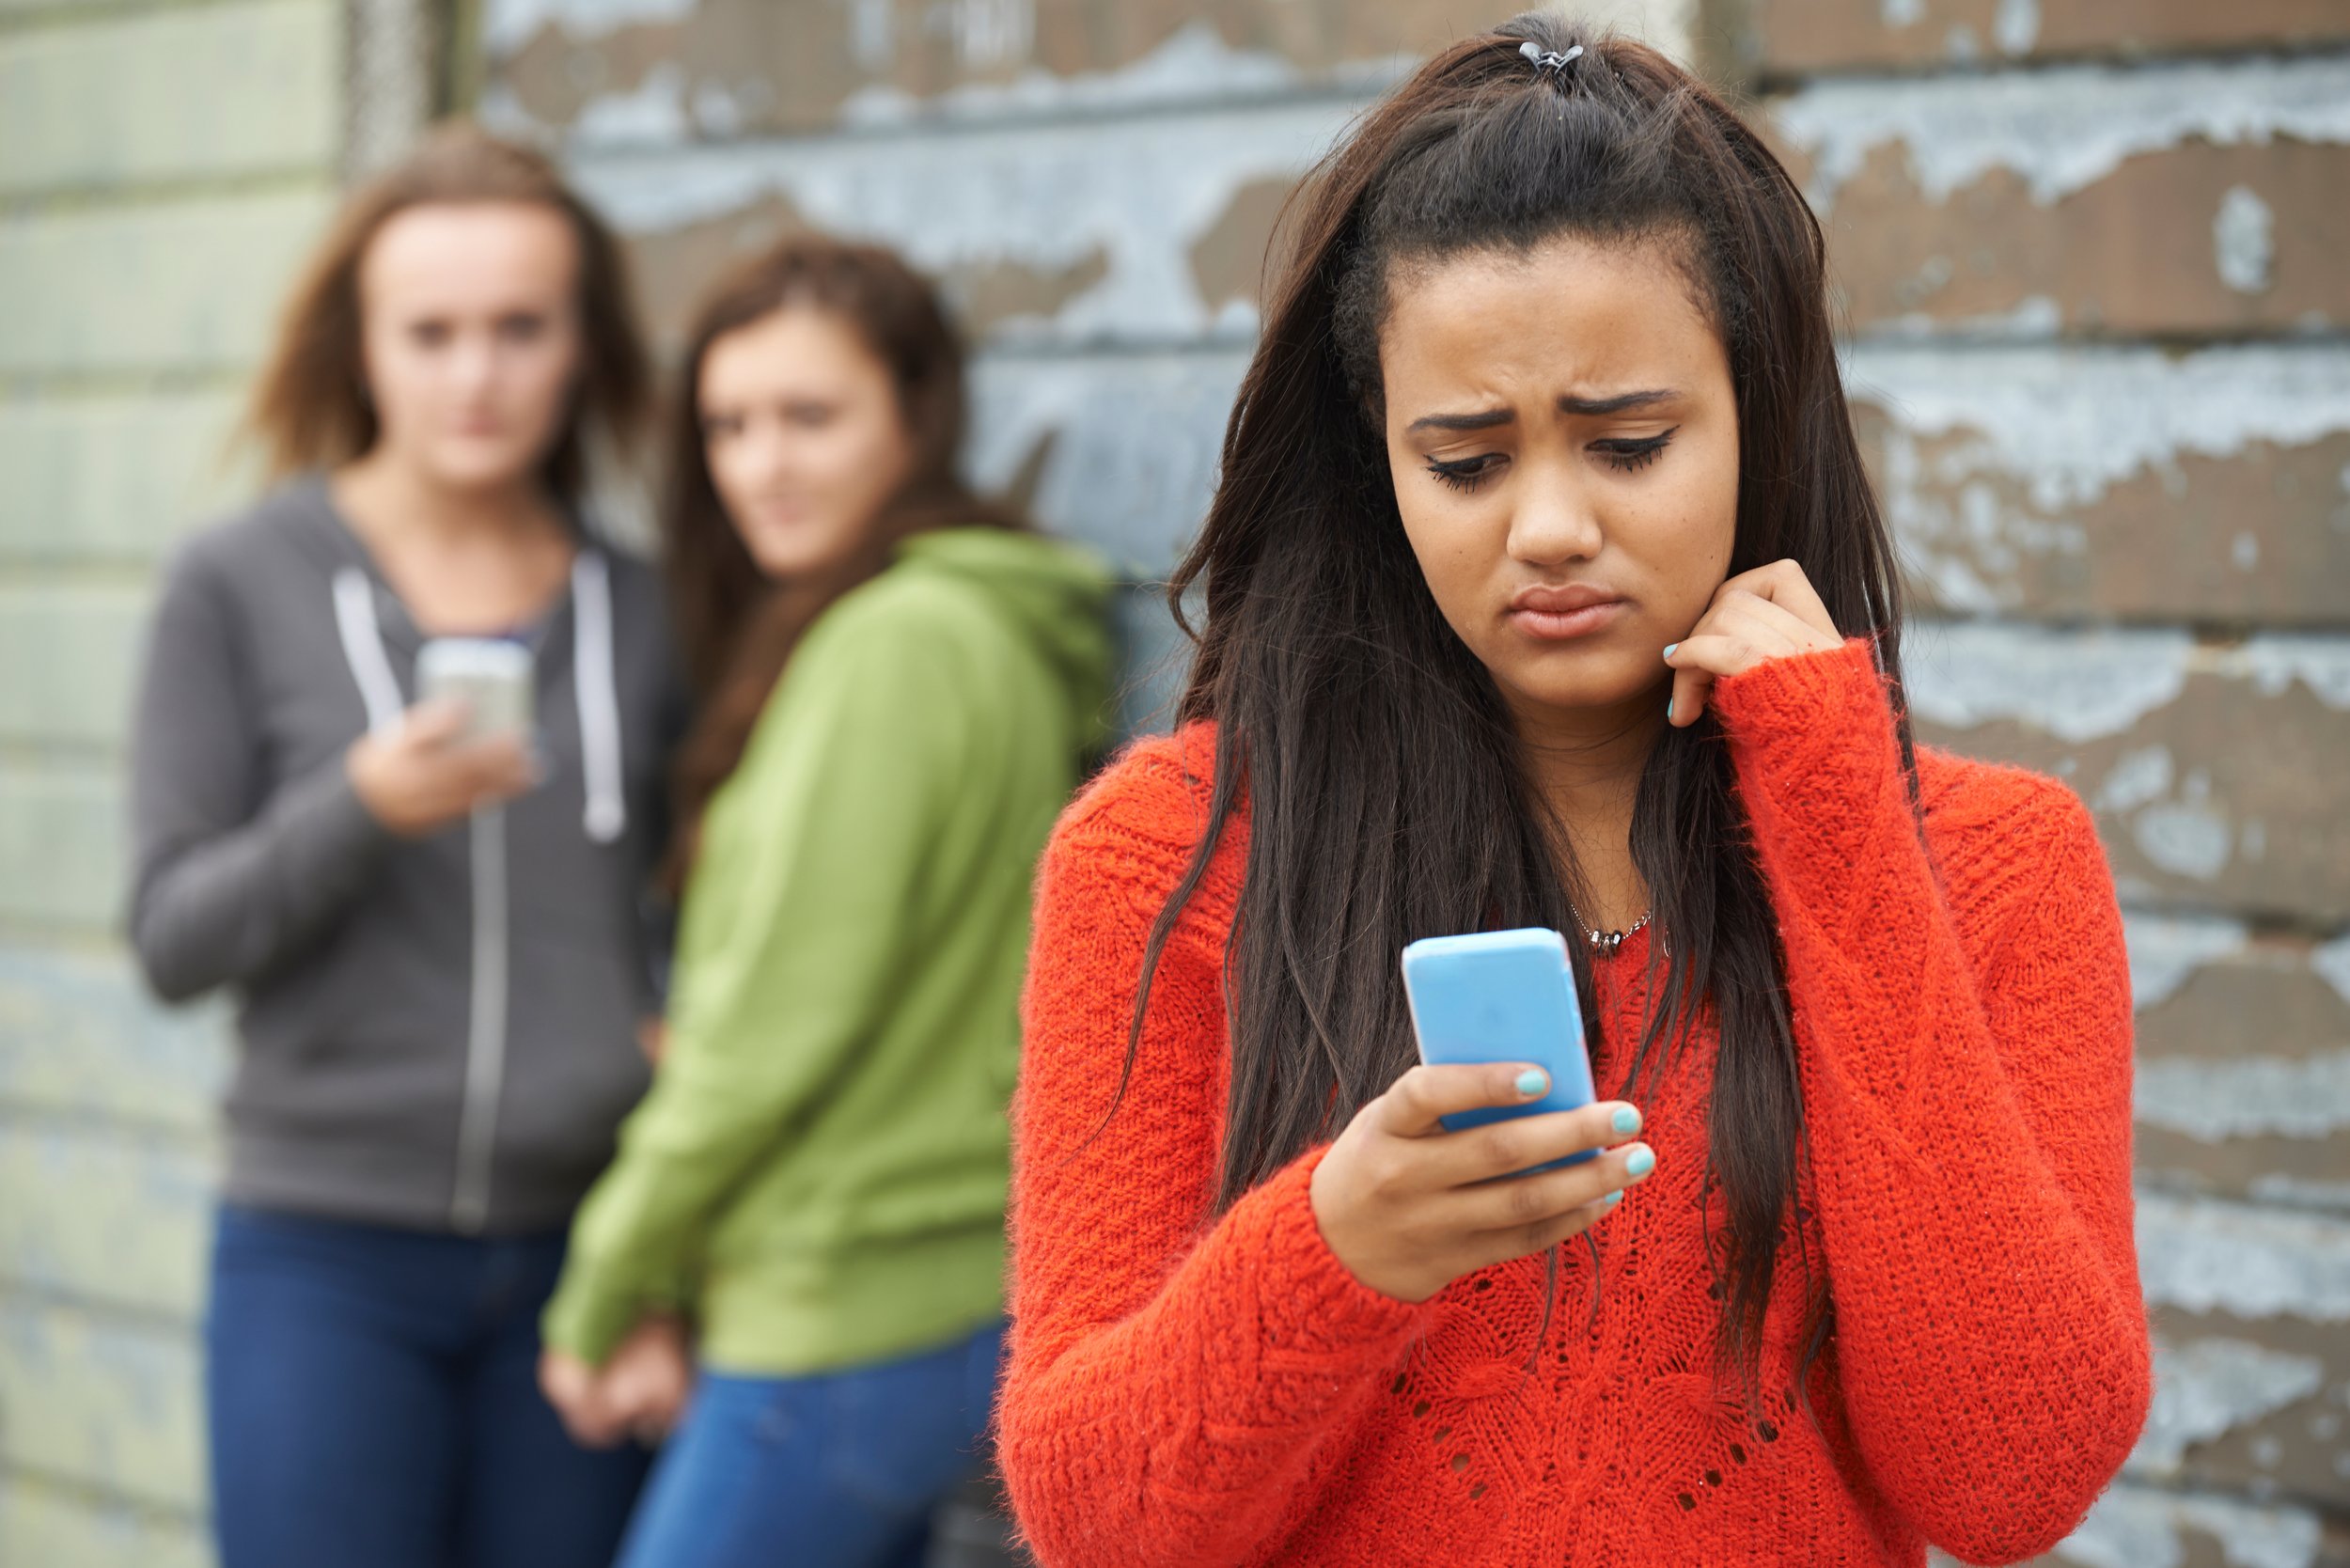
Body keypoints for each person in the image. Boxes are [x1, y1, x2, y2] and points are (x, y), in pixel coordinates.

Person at [997, 17, 2151, 1567]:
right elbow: (1092, 1521)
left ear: (1760, 414)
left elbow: (2012, 1479)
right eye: (1466, 463)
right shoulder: (1168, 859)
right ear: (1377, 465)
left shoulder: (1997, 863)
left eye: (1629, 444)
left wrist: (1839, 814)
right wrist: (1333, 1255)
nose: (1549, 525)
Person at [127, 126, 687, 1568]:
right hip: (327, 1255)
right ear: (360, 347)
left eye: (519, 327)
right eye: (428, 332)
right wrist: (356, 808)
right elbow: (173, 935)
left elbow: (693, 914)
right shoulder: (237, 582)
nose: (474, 373)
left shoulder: (645, 604)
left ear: (580, 345)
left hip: (583, 1255)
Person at [535, 235, 1115, 1568]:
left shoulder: (896, 646)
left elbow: (763, 1040)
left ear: (916, 419)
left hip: (845, 1309)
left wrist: (603, 1292)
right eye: (730, 424)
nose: (762, 466)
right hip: (934, 1286)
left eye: (811, 417)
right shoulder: (972, 622)